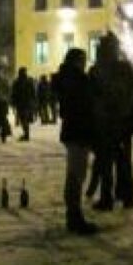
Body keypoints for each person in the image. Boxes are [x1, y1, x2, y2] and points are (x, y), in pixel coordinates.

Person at [88, 32, 133, 210]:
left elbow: (92, 97)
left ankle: (107, 197)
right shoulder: (125, 68)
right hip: (124, 121)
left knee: (106, 161)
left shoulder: (98, 69)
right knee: (123, 160)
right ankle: (127, 195)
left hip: (107, 122)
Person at [55, 48, 98, 235]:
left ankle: (73, 213)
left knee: (74, 173)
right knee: (76, 175)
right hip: (79, 130)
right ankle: (74, 215)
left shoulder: (65, 78)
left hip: (72, 130)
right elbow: (85, 104)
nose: (85, 63)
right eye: (83, 60)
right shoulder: (77, 80)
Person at [11, 67, 37, 142]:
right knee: (25, 119)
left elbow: (14, 93)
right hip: (28, 103)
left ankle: (26, 134)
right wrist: (34, 101)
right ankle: (26, 134)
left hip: (21, 103)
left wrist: (13, 102)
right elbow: (33, 92)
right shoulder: (29, 81)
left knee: (23, 119)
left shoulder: (17, 82)